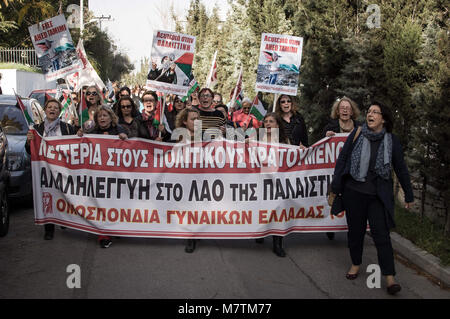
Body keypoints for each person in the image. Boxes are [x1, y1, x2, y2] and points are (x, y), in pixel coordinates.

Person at [331, 101, 414, 295]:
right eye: (369, 111)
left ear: (383, 118)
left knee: (382, 236)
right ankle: (356, 264)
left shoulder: (391, 140)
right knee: (355, 232)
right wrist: (336, 186)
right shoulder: (357, 133)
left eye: (375, 112)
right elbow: (343, 159)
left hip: (378, 196)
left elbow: (400, 169)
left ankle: (390, 277)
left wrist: (409, 194)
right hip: (354, 192)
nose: (370, 114)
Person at [25, 98, 77, 240]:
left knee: (63, 196)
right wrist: (29, 141)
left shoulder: (67, 128)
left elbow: (75, 147)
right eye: (50, 107)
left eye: (56, 108)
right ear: (45, 110)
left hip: (63, 170)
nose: (52, 109)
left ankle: (63, 220)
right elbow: (30, 151)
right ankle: (49, 228)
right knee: (48, 197)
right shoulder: (36, 129)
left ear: (59, 112)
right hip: (45, 171)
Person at [78, 105, 128, 248]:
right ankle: (104, 234)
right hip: (98, 175)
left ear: (111, 117)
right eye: (99, 116)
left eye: (105, 115)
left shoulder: (119, 130)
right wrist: (80, 135)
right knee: (101, 204)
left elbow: (130, 148)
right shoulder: (93, 131)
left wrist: (124, 139)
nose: (102, 118)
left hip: (116, 174)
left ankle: (115, 227)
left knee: (115, 203)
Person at [322, 96, 361, 241]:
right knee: (334, 196)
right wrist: (326, 137)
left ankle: (352, 228)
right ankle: (331, 225)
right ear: (337, 112)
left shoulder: (359, 127)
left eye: (348, 108)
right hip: (335, 170)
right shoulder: (330, 127)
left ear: (352, 112)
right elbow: (321, 146)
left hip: (353, 171)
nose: (345, 110)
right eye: (342, 108)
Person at [255, 112, 290, 257]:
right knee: (261, 208)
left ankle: (278, 244)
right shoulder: (257, 137)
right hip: (260, 179)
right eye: (266, 121)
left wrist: (301, 151)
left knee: (278, 209)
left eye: (271, 121)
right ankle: (261, 232)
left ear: (277, 124)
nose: (268, 124)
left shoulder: (284, 140)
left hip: (278, 181)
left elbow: (292, 156)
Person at [173, 108, 201, 253]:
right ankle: (190, 235)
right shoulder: (177, 137)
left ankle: (193, 235)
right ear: (184, 121)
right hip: (183, 178)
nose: (196, 122)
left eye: (198, 119)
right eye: (193, 119)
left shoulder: (205, 137)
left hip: (200, 178)